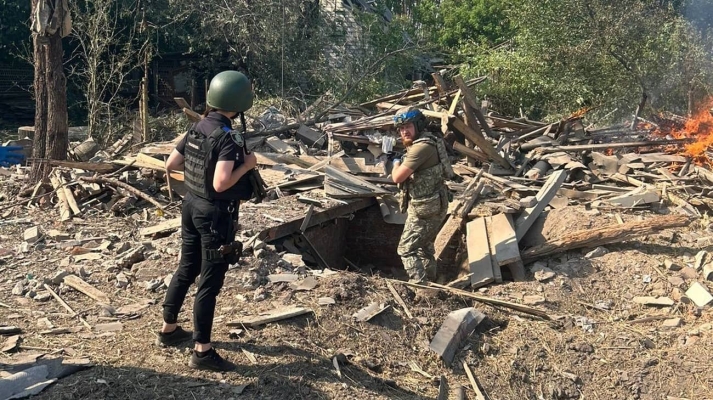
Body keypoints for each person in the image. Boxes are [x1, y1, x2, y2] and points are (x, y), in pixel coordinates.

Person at [155, 70, 257, 372]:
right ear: (238, 103)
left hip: (191, 206)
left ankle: (169, 329)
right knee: (209, 282)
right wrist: (248, 165)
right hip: (215, 214)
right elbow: (222, 183)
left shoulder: (197, 127)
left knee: (186, 268)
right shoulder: (228, 137)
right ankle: (202, 351)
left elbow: (171, 164)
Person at [390, 106, 453, 283]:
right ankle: (431, 281)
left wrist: (395, 162)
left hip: (424, 209)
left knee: (406, 249)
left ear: (418, 125)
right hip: (435, 203)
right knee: (423, 247)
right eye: (401, 128)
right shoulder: (430, 141)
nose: (404, 131)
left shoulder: (421, 148)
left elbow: (397, 177)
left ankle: (420, 285)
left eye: (408, 126)